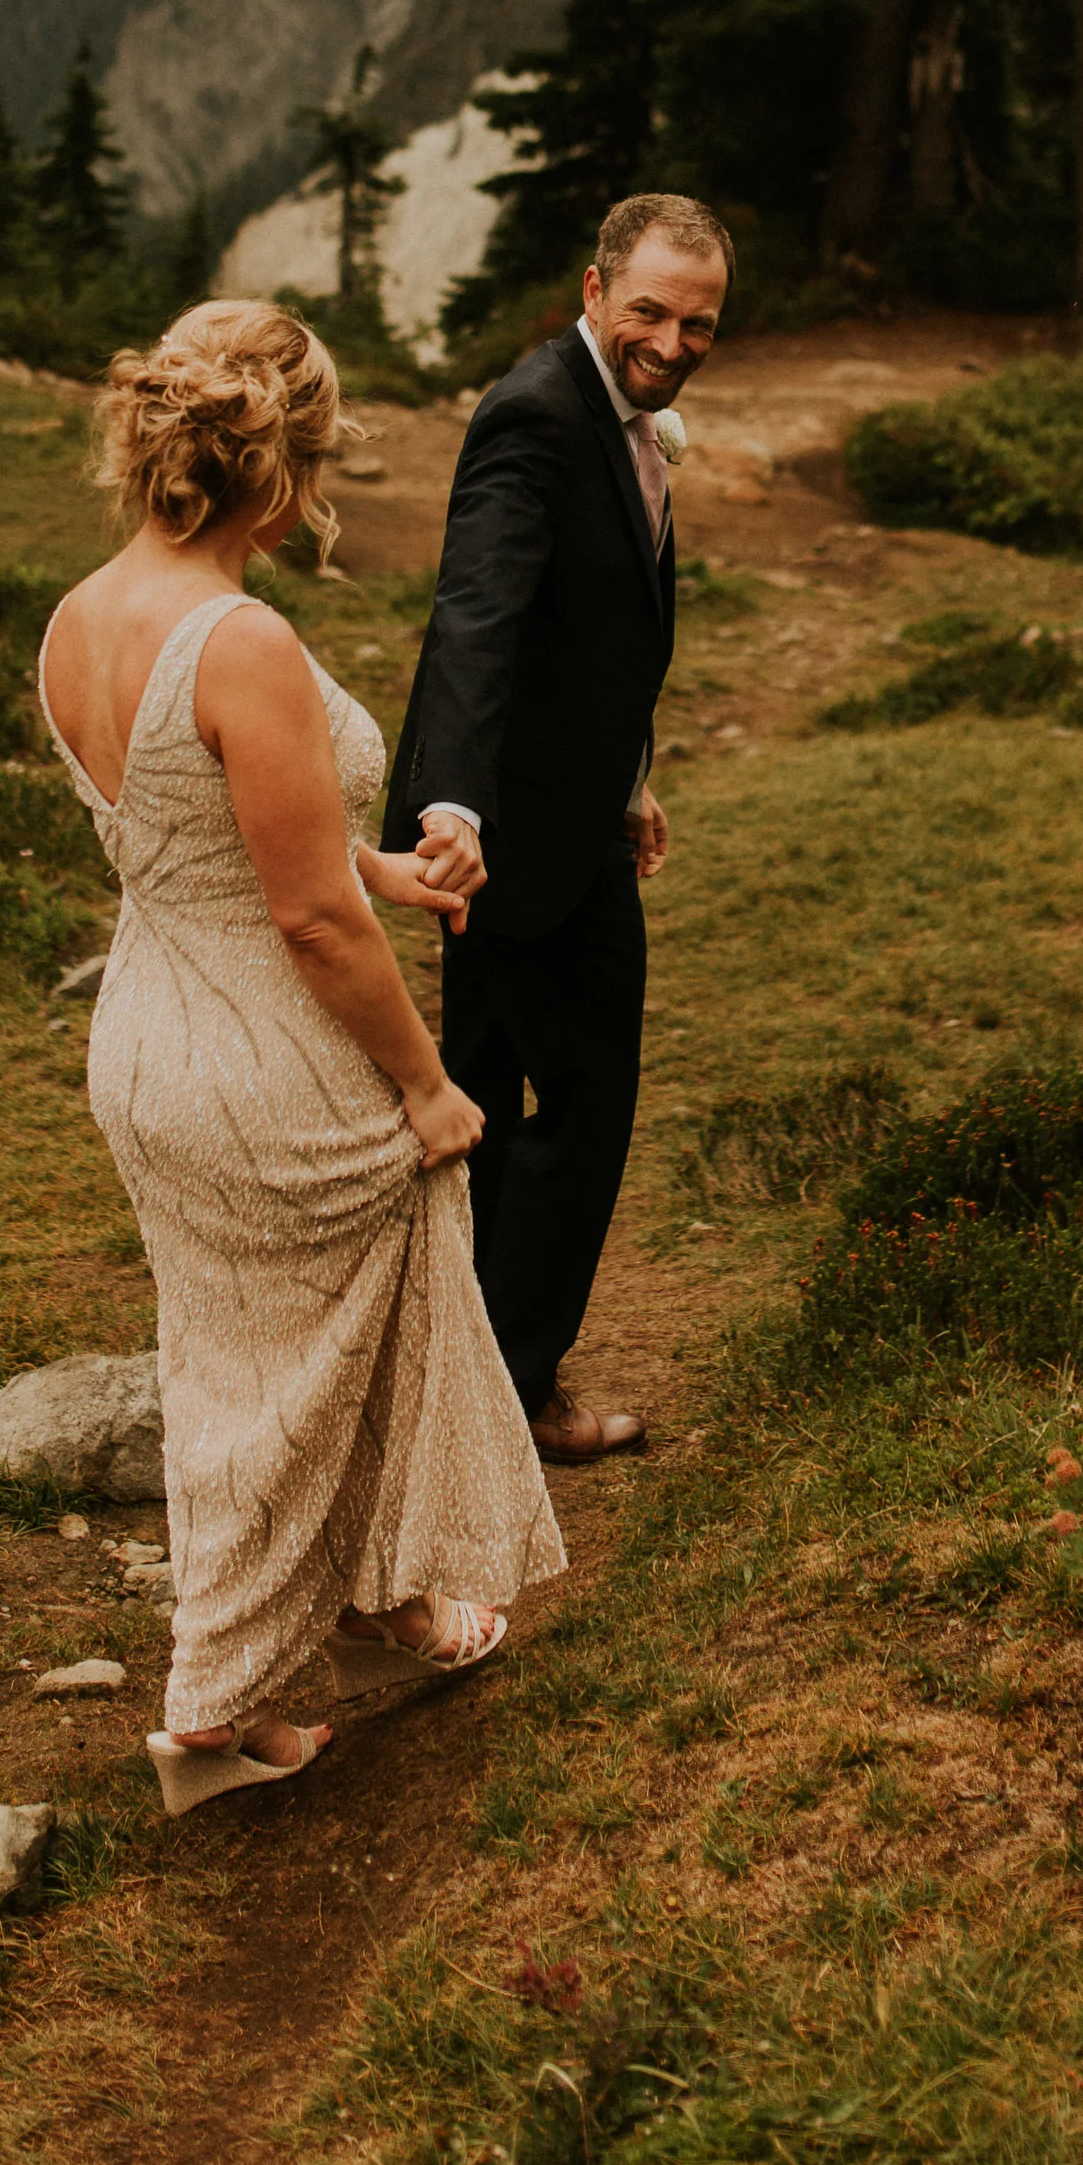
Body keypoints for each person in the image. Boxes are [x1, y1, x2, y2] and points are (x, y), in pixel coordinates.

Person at [39, 299, 562, 1816]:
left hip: (148, 1035)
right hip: (261, 1045)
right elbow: (309, 924)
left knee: (244, 1348)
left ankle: (370, 1599)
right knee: (313, 1341)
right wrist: (424, 1084)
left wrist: (381, 871)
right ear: (283, 464)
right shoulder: (243, 634)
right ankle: (220, 1699)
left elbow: (204, 831)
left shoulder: (79, 614)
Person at [385, 192, 732, 1463]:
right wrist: (455, 806)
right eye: (648, 311)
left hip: (553, 814)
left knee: (478, 1104)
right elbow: (475, 617)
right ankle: (511, 1393)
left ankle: (458, 1370)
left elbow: (584, 635)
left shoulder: (618, 411)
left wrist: (626, 781)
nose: (672, 339)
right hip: (505, 835)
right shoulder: (536, 414)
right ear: (593, 292)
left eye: (698, 321)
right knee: (580, 1107)